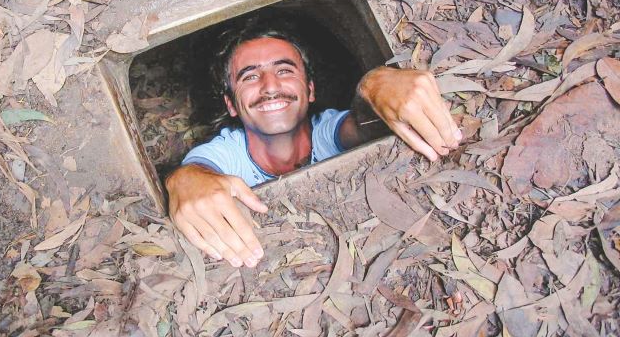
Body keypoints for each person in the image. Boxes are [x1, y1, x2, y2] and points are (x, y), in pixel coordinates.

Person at [165, 26, 461, 268]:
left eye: (284, 71)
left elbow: (363, 124)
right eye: (251, 76)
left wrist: (375, 84)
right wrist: (181, 179)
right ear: (231, 104)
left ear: (310, 90)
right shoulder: (227, 152)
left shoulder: (327, 131)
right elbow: (197, 171)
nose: (269, 86)